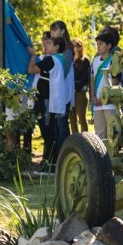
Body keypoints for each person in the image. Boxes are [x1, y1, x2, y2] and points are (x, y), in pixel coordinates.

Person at [28, 36, 67, 169]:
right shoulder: (61, 58)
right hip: (52, 101)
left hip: (47, 102)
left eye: (50, 43)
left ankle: (52, 163)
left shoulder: (51, 59)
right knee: (51, 133)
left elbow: (31, 69)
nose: (46, 45)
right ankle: (50, 161)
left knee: (48, 133)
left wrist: (33, 56)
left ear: (57, 47)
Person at [50, 21, 74, 151]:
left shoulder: (68, 49)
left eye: (55, 30)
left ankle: (65, 152)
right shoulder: (55, 49)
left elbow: (63, 71)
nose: (52, 32)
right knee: (58, 125)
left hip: (63, 91)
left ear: (63, 31)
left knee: (62, 125)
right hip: (57, 92)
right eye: (51, 30)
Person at [91, 32, 120, 139]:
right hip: (97, 103)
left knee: (112, 132)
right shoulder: (95, 60)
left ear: (109, 46)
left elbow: (115, 81)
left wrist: (102, 98)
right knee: (99, 134)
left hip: (110, 102)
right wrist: (93, 96)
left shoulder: (114, 60)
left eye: (101, 44)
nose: (98, 46)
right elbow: (92, 79)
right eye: (97, 44)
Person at [70, 38, 90, 133]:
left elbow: (86, 78)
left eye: (74, 46)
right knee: (72, 120)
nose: (72, 48)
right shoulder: (69, 61)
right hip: (70, 93)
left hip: (80, 92)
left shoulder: (85, 60)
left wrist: (76, 88)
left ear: (79, 47)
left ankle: (85, 139)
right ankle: (75, 141)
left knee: (81, 117)